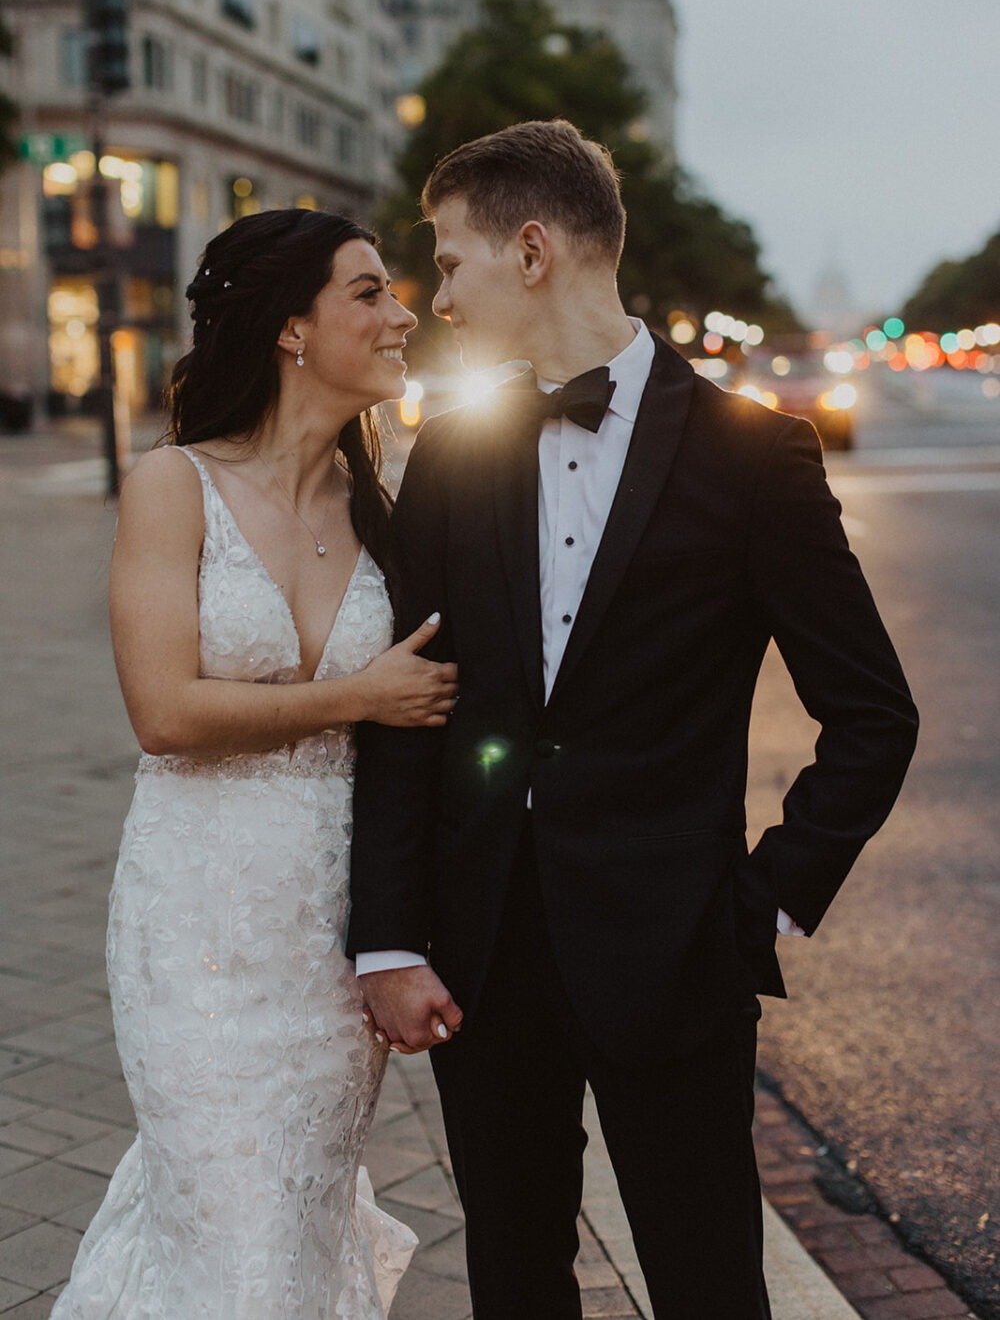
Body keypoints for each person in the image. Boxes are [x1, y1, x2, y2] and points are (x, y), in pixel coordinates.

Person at [347, 121, 919, 1320]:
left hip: (676, 952)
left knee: (707, 1277)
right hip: (482, 953)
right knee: (512, 1275)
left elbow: (871, 716)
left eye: (451, 263)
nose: (437, 298)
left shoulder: (753, 457)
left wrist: (759, 900)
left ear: (535, 250)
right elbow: (409, 716)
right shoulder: (446, 455)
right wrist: (391, 939)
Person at [52, 209, 459, 1320]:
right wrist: (359, 697)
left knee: (290, 1222)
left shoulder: (387, 506)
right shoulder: (172, 484)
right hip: (201, 930)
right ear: (292, 328)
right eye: (369, 292)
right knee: (234, 1234)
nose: (402, 311)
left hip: (330, 941)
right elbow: (164, 712)